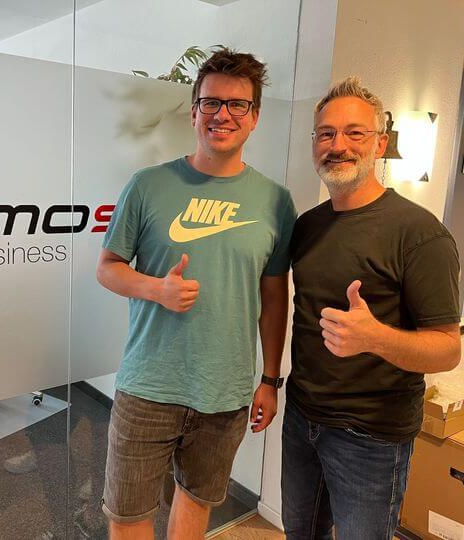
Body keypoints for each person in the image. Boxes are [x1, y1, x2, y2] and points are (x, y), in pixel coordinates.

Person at [96, 48, 296, 540]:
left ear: (254, 117)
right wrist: (156, 289)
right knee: (127, 515)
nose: (222, 114)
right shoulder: (147, 186)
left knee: (196, 502)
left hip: (224, 392)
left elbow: (274, 296)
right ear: (194, 112)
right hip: (149, 385)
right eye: (211, 102)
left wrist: (270, 379)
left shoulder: (275, 201)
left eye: (237, 104)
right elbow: (107, 268)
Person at [282, 76, 461, 539]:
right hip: (302, 418)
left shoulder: (420, 234)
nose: (338, 145)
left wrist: (374, 337)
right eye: (326, 133)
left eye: (354, 133)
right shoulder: (308, 226)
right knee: (300, 533)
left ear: (381, 143)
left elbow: (448, 349)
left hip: (371, 437)